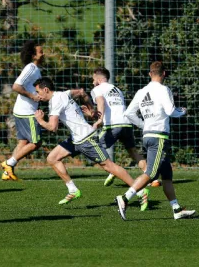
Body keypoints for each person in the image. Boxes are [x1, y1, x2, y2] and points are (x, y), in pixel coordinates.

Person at [33, 77, 149, 209]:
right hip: (76, 139)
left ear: (46, 89)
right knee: (52, 158)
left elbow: (53, 127)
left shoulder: (55, 101)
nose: (37, 95)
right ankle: (73, 190)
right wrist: (92, 110)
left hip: (86, 139)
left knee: (108, 166)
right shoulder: (63, 93)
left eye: (38, 92)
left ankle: (139, 190)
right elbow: (82, 92)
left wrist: (40, 120)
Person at [115, 61, 195, 220]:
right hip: (159, 136)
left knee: (166, 174)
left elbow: (129, 114)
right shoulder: (164, 89)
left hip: (148, 135)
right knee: (151, 173)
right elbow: (171, 111)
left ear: (150, 74)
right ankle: (124, 198)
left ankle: (176, 209)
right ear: (164, 73)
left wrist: (144, 125)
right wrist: (182, 112)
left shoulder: (141, 91)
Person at [72, 67, 146, 187]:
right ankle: (151, 178)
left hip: (113, 125)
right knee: (133, 151)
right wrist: (93, 115)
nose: (92, 82)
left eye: (93, 79)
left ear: (99, 78)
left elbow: (100, 102)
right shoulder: (117, 89)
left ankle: (113, 170)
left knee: (94, 147)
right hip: (126, 124)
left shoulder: (98, 89)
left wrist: (100, 119)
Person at [1, 40, 45, 181]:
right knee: (36, 143)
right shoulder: (31, 68)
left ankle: (7, 172)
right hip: (26, 112)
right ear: (33, 56)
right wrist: (32, 96)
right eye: (40, 52)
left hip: (21, 110)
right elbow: (16, 86)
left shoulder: (35, 69)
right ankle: (9, 163)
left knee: (23, 142)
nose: (43, 54)